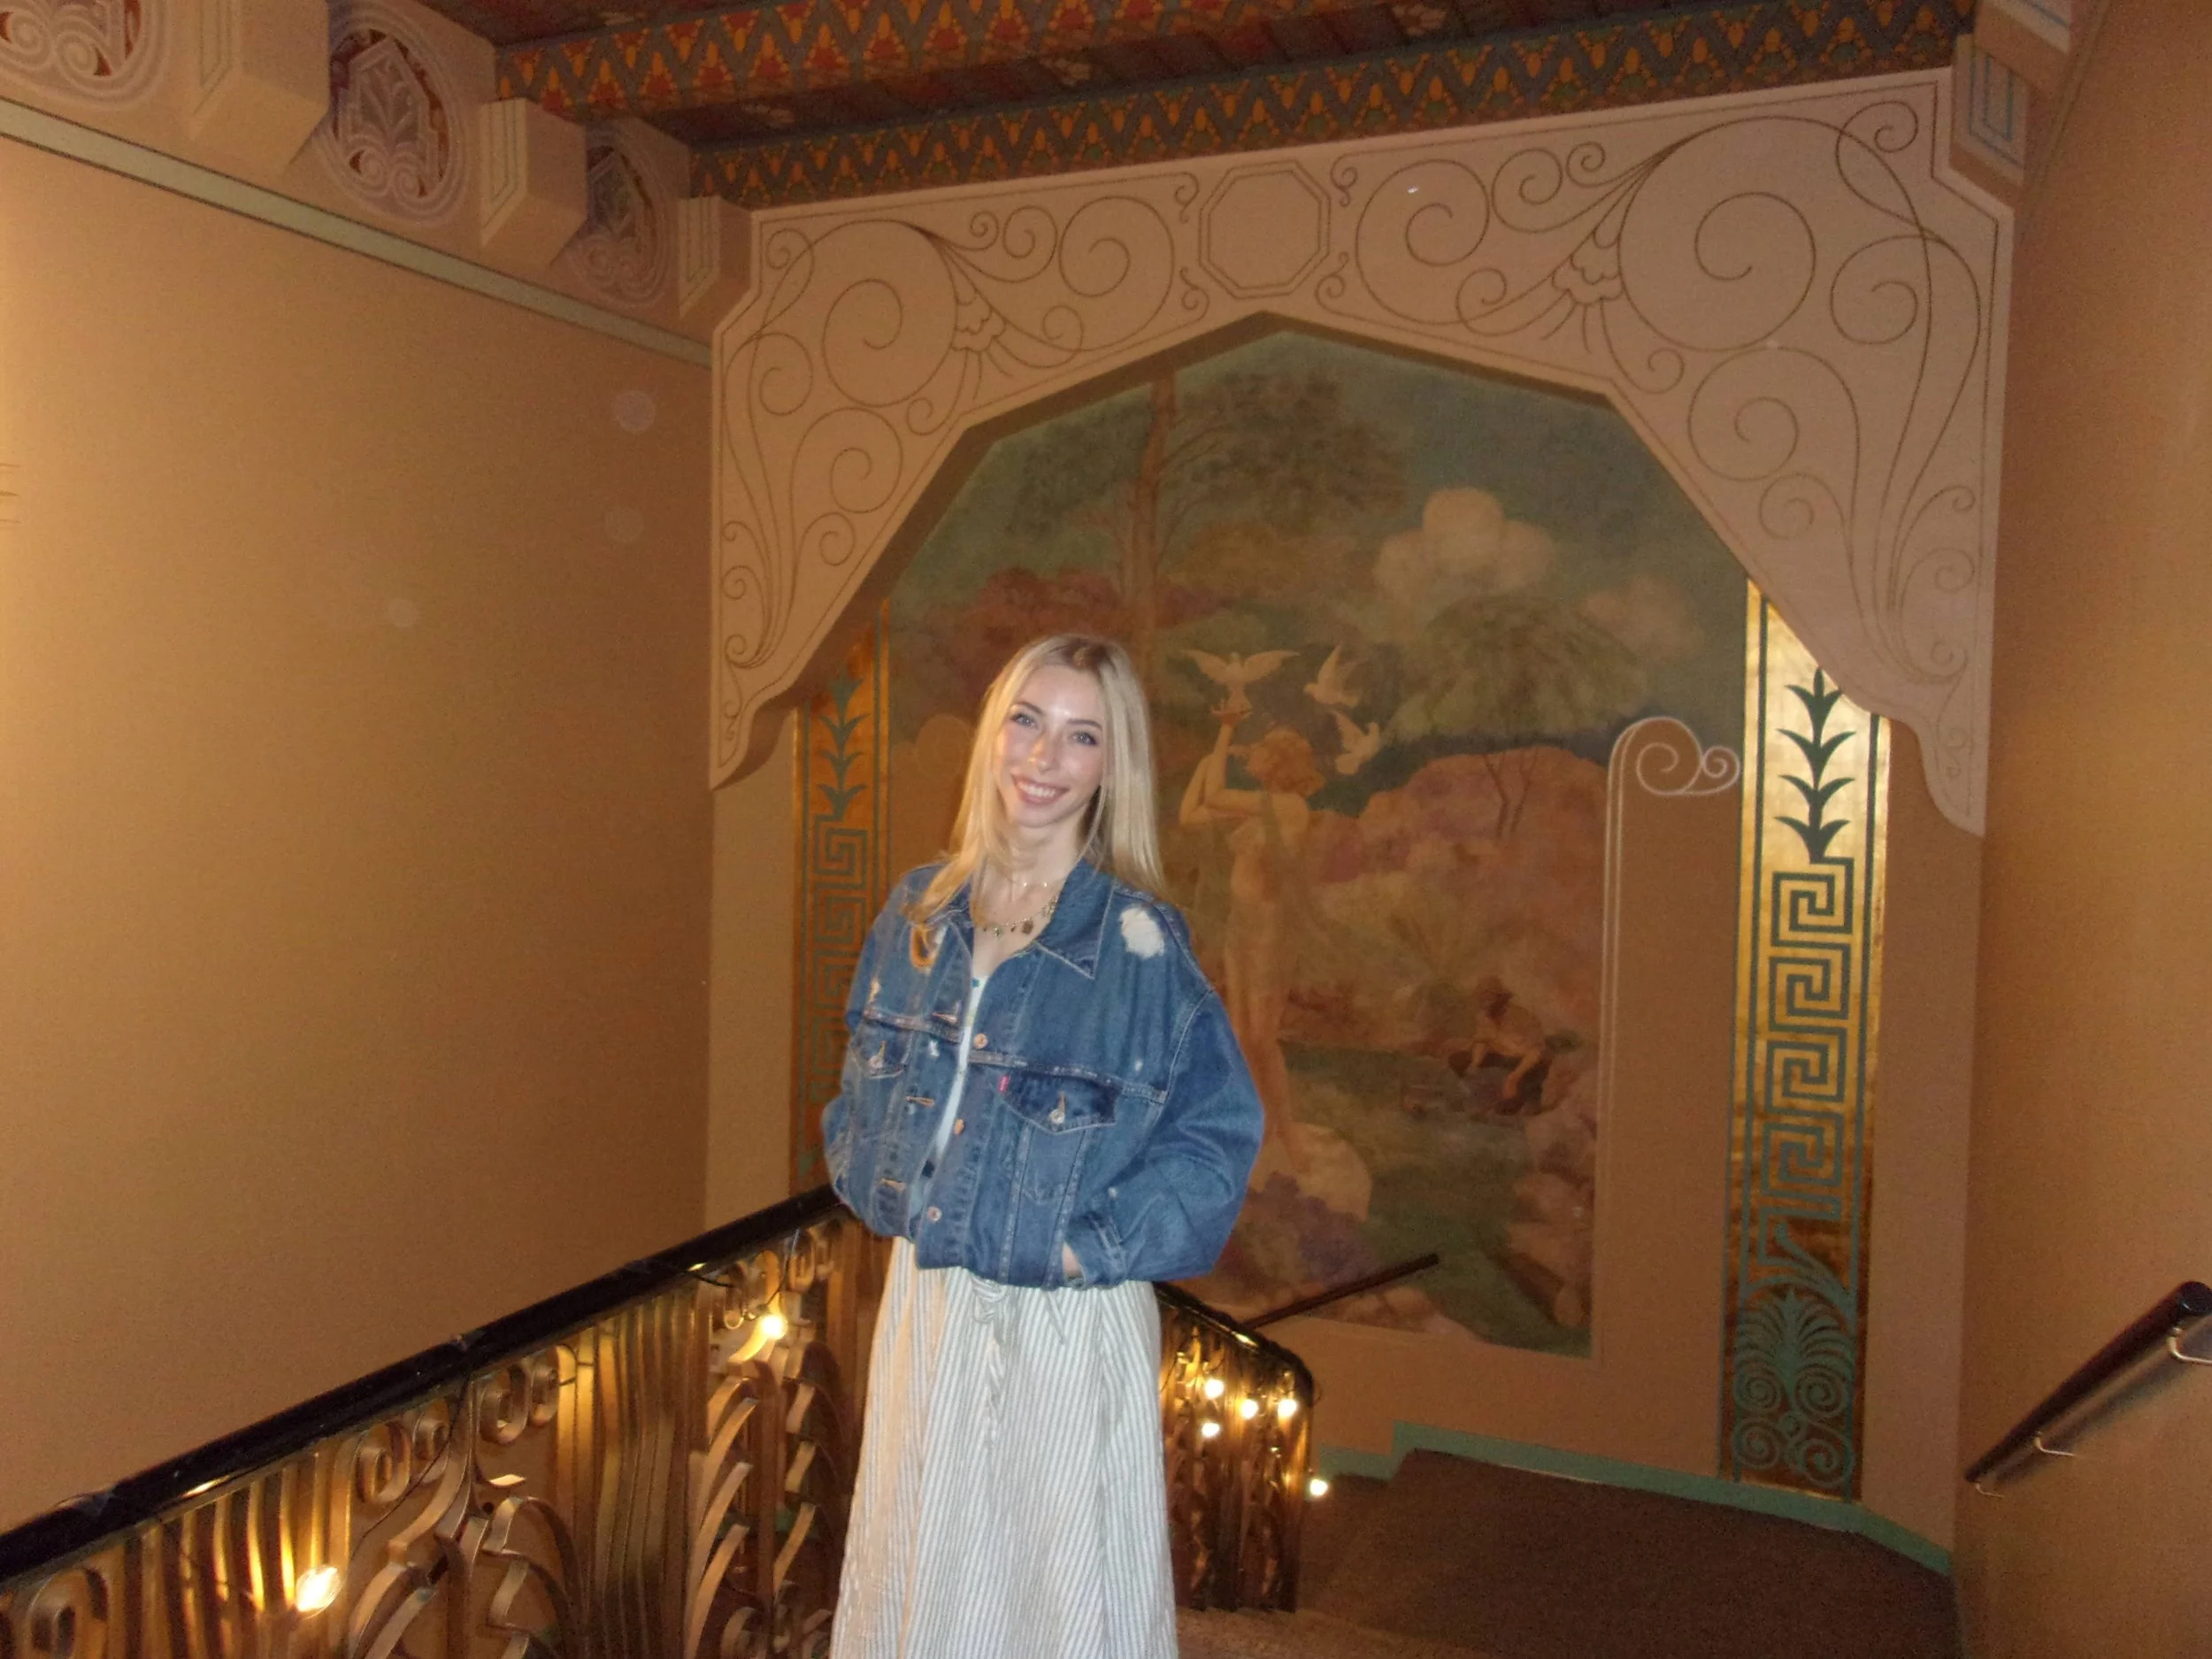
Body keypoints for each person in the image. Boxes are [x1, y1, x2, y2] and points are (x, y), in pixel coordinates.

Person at [823, 634, 1265, 1659]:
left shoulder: (1137, 945)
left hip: (1065, 1323)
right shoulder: (916, 913)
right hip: (928, 1302)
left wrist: (1085, 1251)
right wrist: (875, 1183)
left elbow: (1216, 1139)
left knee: (1057, 1595)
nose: (1043, 757)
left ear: (1114, 768)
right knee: (921, 1573)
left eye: (1081, 736)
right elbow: (859, 1086)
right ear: (993, 734)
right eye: (1027, 720)